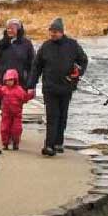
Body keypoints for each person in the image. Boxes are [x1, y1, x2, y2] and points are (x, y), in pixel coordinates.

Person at [27, 17, 88, 157]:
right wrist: (31, 85)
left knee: (62, 115)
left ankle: (58, 142)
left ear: (62, 32)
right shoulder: (45, 46)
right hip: (50, 87)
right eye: (51, 31)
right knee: (52, 116)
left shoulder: (72, 45)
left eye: (56, 31)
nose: (53, 34)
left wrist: (78, 71)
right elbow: (36, 67)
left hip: (67, 86)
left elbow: (83, 60)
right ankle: (49, 145)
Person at [0, 68, 34, 150]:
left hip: (17, 114)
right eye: (7, 80)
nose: (9, 82)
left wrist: (31, 95)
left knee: (16, 129)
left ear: (15, 80)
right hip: (6, 114)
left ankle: (15, 143)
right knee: (4, 129)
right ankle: (5, 143)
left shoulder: (19, 90)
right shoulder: (3, 89)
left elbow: (25, 98)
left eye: (11, 80)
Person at [0, 18, 35, 85]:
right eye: (8, 28)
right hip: (3, 82)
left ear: (18, 30)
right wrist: (1, 46)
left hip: (21, 83)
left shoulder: (27, 44)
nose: (9, 30)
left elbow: (33, 64)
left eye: (12, 28)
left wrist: (31, 84)